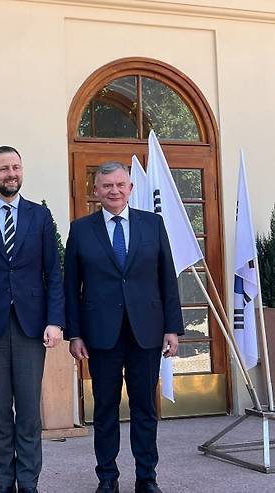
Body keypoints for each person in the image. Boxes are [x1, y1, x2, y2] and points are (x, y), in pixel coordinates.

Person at [64, 162, 183, 493]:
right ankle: (107, 478)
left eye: (120, 185)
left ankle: (147, 477)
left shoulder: (152, 224)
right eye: (106, 186)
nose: (114, 191)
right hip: (101, 333)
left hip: (147, 331)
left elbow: (167, 278)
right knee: (105, 408)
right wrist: (74, 333)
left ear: (130, 188)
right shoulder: (81, 229)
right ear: (96, 191)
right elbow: (71, 286)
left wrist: (172, 328)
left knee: (145, 407)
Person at [0, 146, 65, 493]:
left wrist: (55, 321)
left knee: (30, 410)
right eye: (3, 169)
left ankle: (29, 482)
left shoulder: (40, 216)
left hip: (31, 326)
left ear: (22, 171)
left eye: (16, 167)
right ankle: (4, 482)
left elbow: (53, 272)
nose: (11, 174)